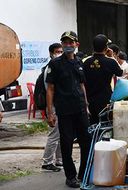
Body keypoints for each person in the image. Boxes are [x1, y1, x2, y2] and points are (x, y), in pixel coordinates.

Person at [46, 31, 92, 188]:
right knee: (66, 144)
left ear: (76, 44)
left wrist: (86, 105)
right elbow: (50, 89)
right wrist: (50, 113)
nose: (67, 45)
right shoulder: (55, 64)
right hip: (64, 110)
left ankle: (83, 174)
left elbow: (81, 85)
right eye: (64, 43)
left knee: (86, 142)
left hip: (80, 109)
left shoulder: (79, 62)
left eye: (70, 42)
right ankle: (70, 176)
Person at [83, 34, 123, 125]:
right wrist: (112, 56)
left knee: (92, 125)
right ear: (106, 48)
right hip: (105, 101)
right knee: (105, 126)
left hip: (89, 101)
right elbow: (120, 72)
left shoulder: (86, 62)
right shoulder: (110, 62)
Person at [41, 43, 63, 172]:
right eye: (57, 51)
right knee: (54, 135)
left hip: (60, 105)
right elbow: (49, 90)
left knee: (60, 134)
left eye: (61, 51)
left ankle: (59, 160)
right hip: (53, 105)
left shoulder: (58, 66)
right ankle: (47, 161)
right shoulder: (50, 68)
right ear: (51, 53)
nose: (59, 53)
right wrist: (50, 112)